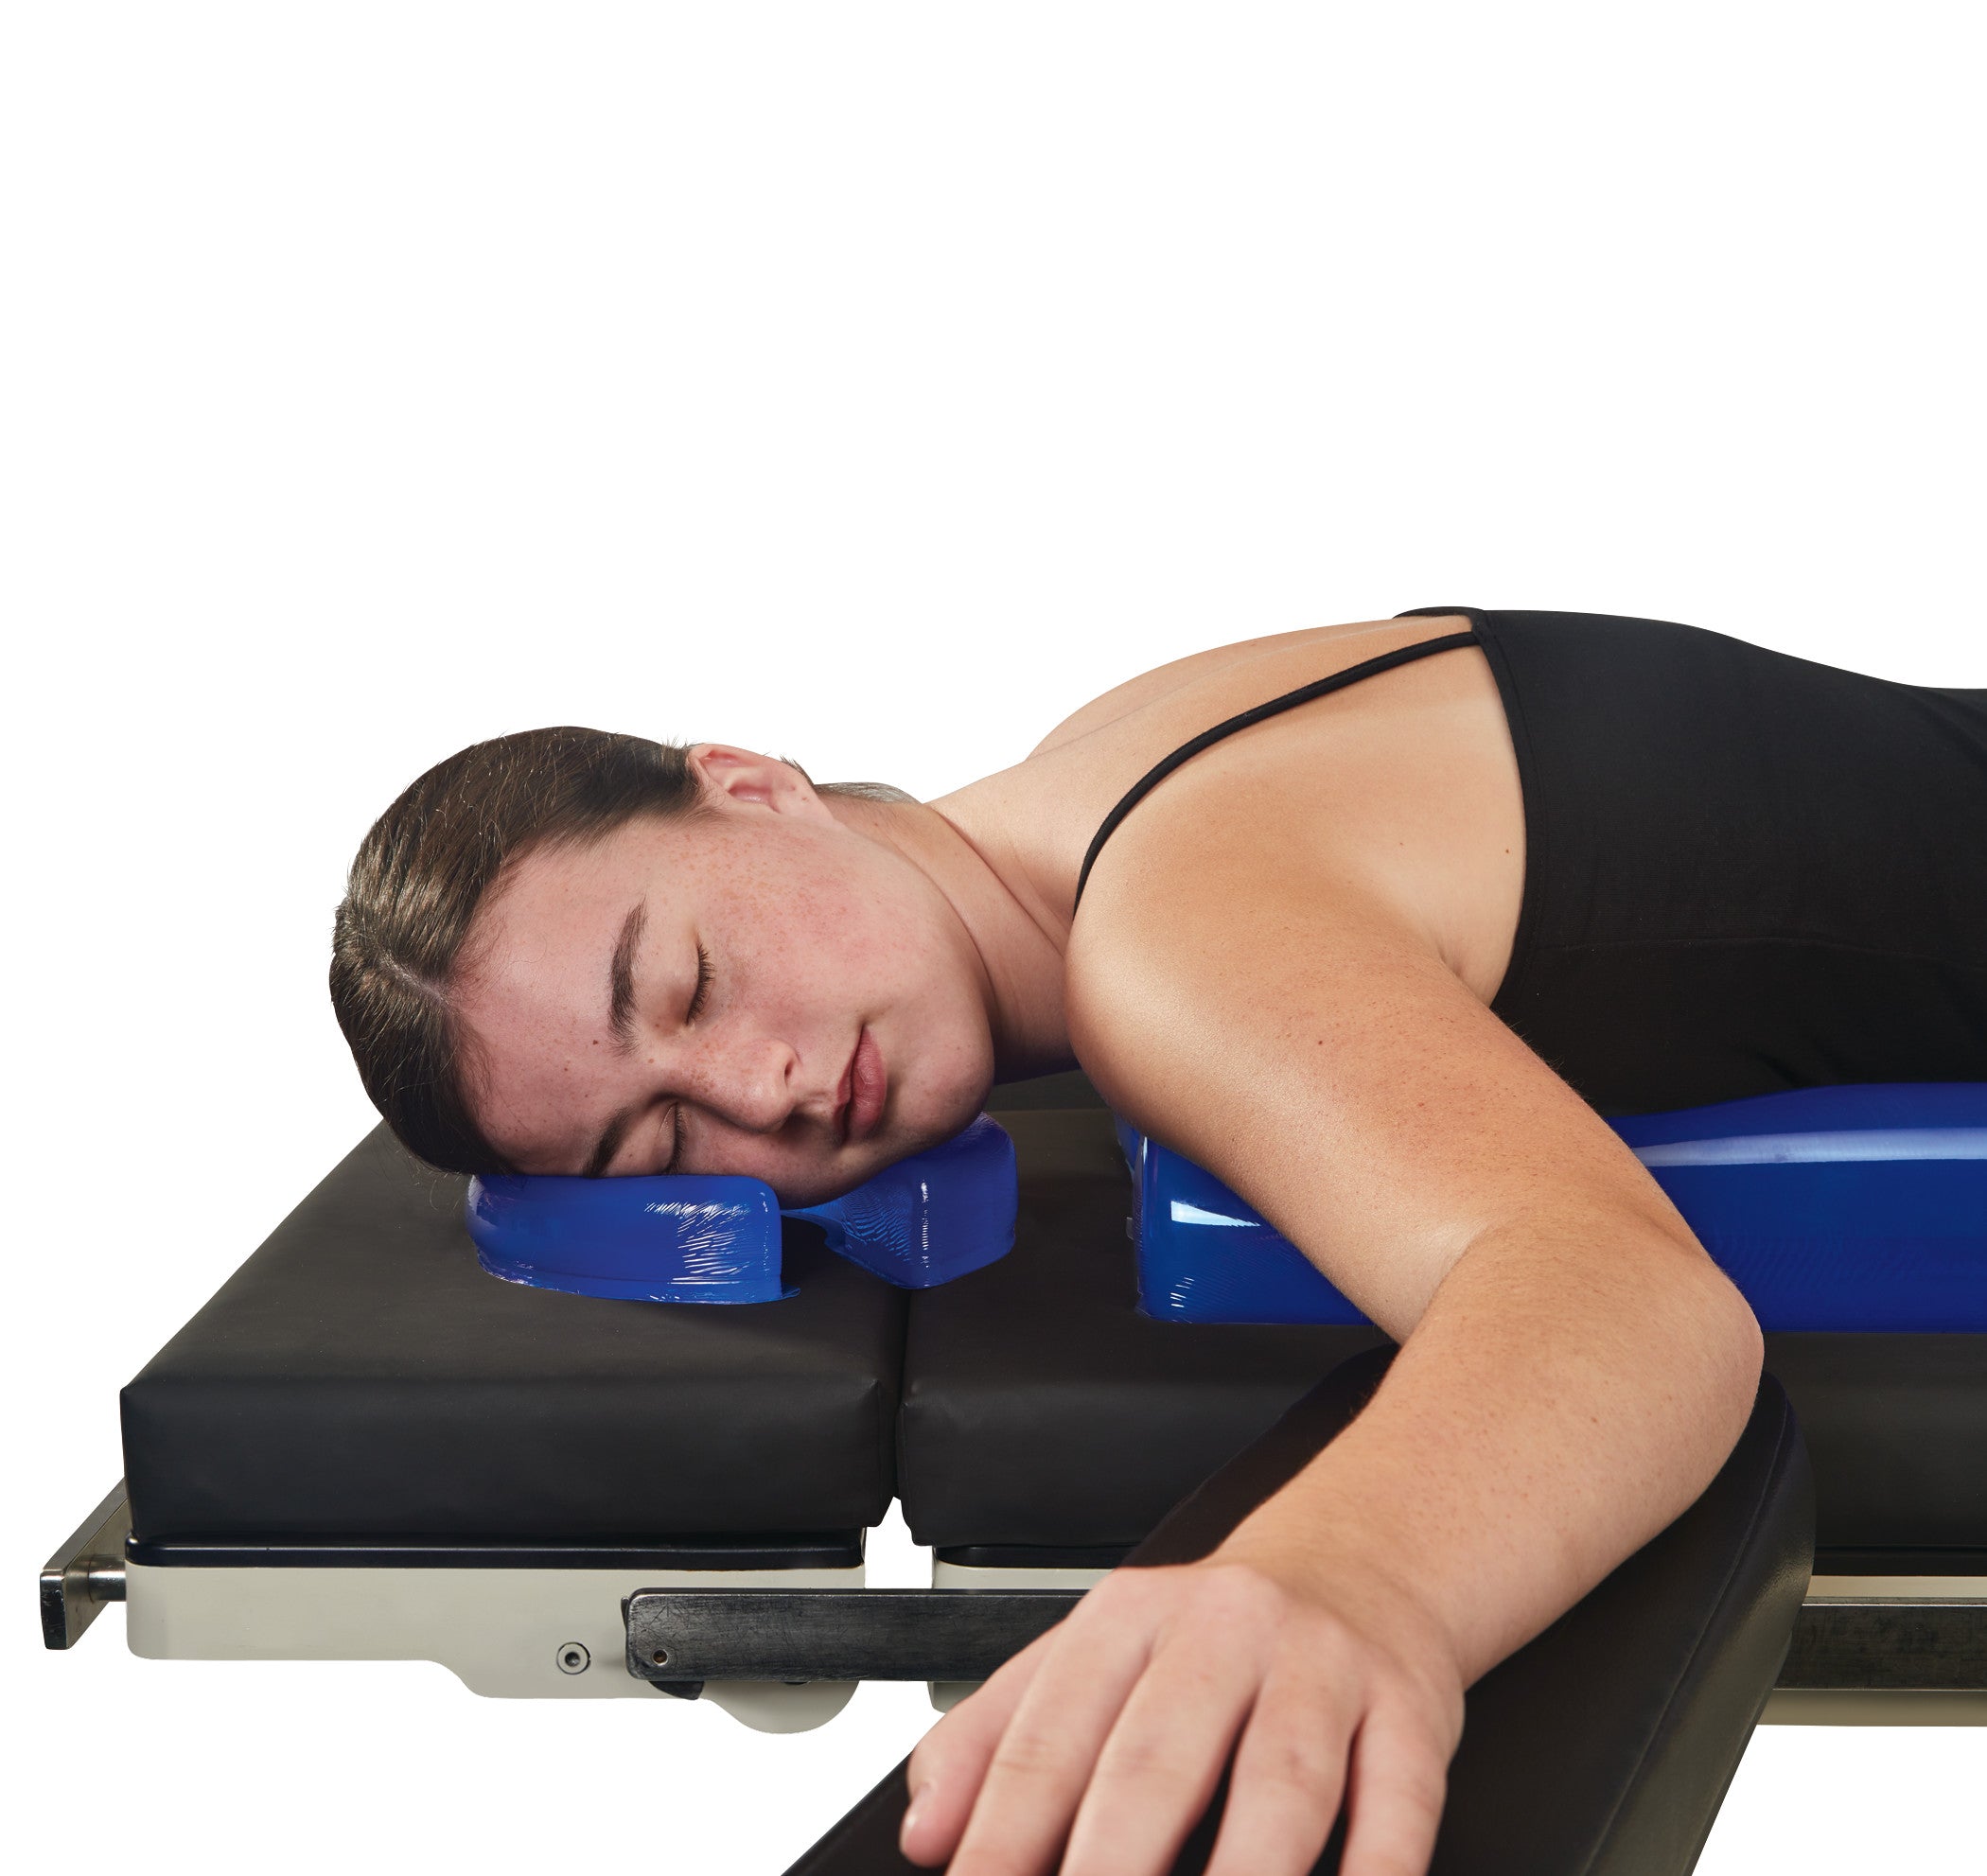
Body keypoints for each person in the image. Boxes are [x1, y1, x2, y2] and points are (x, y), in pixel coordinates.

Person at [330, 606, 1987, 1876]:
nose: (759, 1090)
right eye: (663, 1144)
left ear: (752, 789)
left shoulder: (1169, 941)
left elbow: (1636, 1304)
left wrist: (1344, 1585)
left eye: (687, 980)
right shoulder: (1108, 756)